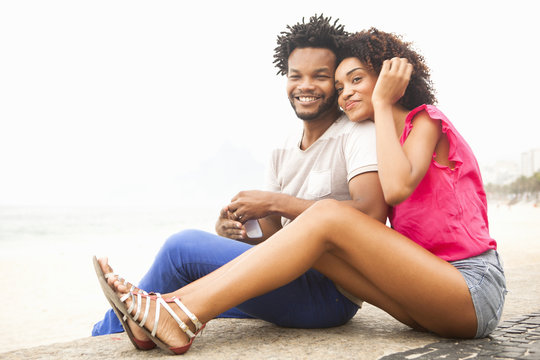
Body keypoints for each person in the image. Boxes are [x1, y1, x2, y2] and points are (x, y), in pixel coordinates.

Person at [95, 27, 507, 355]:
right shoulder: (386, 140)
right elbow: (288, 242)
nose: (346, 94)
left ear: (388, 80)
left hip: (472, 288)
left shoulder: (426, 120)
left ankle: (178, 314)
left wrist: (383, 102)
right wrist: (248, 223)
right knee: (322, 235)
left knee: (329, 215)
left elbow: (395, 190)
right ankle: (167, 311)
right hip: (427, 297)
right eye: (342, 85)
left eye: (356, 80)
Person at [92, 15, 387, 339]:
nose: (305, 85)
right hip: (283, 277)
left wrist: (276, 202)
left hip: (328, 294)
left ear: (337, 82)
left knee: (180, 250)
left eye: (320, 76)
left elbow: (371, 212)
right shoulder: (282, 148)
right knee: (174, 292)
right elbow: (274, 237)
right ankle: (120, 329)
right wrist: (235, 233)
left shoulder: (355, 133)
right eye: (295, 76)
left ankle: (102, 337)